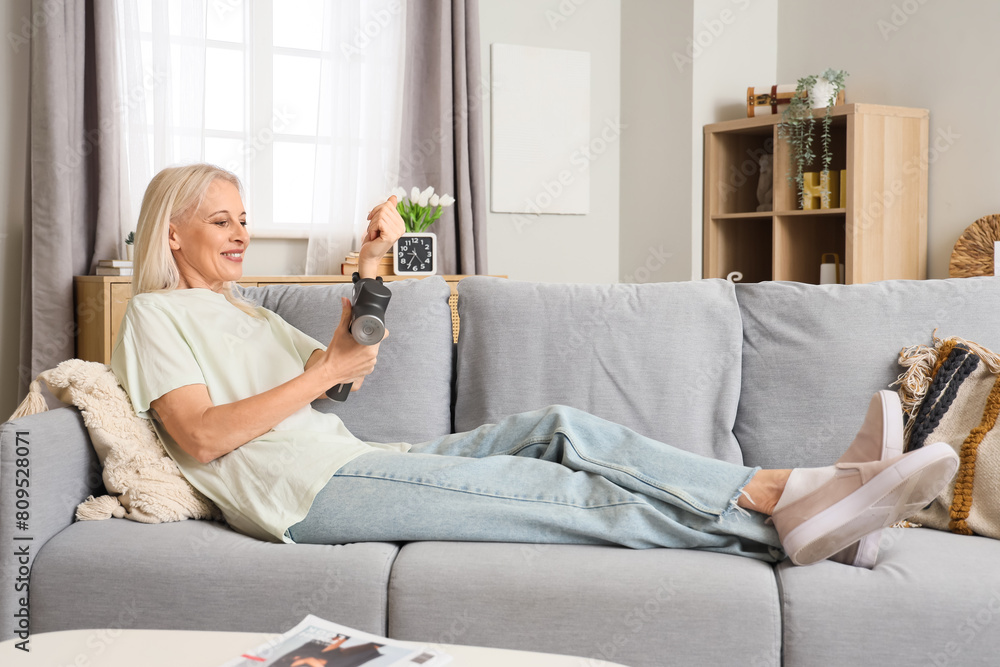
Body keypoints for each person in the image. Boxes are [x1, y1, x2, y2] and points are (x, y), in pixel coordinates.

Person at [111, 163, 959, 569]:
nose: (240, 233)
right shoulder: (152, 315)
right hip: (302, 498)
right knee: (561, 494)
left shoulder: (244, 309)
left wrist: (370, 270)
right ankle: (792, 501)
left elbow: (349, 371)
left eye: (243, 218)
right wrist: (318, 372)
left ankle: (807, 505)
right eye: (219, 220)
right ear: (172, 231)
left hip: (356, 461)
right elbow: (201, 434)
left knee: (561, 429)